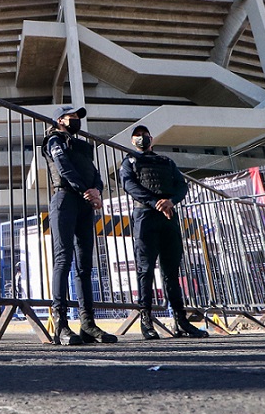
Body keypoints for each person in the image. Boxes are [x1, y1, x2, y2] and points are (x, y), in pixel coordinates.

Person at [120, 125, 207, 340]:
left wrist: (171, 202)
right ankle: (146, 321)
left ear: (151, 138)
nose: (142, 138)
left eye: (145, 135)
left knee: (172, 271)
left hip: (169, 217)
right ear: (132, 141)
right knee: (145, 270)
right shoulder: (129, 161)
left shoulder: (166, 162)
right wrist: (155, 203)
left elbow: (181, 186)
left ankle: (180, 321)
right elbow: (129, 185)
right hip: (145, 217)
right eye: (137, 136)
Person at [41, 105, 118, 345]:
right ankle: (61, 325)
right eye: (70, 116)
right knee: (63, 259)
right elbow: (63, 166)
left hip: (85, 203)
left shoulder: (82, 145)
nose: (75, 120)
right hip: (65, 198)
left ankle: (88, 324)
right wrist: (86, 190)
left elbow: (95, 172)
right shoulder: (54, 140)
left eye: (77, 117)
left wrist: (97, 191)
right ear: (59, 120)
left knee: (85, 265)